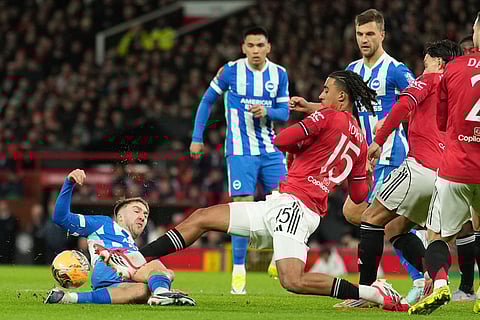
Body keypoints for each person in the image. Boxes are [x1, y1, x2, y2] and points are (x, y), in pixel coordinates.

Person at [102, 70, 409, 312]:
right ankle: (135, 259)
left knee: (293, 280)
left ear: (340, 97)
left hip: (295, 208)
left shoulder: (326, 116)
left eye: (325, 90)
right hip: (289, 207)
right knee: (202, 217)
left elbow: (282, 140)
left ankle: (373, 292)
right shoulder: (358, 140)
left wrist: (301, 144)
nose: (320, 95)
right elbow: (358, 193)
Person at [360, 39, 462, 306]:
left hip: (421, 168)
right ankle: (436, 281)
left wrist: (378, 141)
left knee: (370, 218)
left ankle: (365, 292)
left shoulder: (429, 79)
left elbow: (403, 106)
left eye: (426, 60)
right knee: (398, 227)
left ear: (438, 62)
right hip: (449, 176)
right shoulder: (461, 88)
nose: (423, 65)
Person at [189, 26, 289, 294]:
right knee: (242, 209)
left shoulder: (279, 74)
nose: (256, 50)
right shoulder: (230, 70)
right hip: (240, 150)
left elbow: (284, 113)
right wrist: (197, 136)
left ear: (269, 47)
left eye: (260, 45)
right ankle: (238, 270)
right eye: (251, 46)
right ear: (243, 47)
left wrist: (267, 110)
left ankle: (275, 258)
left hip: (270, 149)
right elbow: (206, 101)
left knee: (286, 203)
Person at [339, 8, 425, 307]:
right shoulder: (352, 70)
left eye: (370, 34)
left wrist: (394, 124)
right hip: (365, 160)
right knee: (361, 216)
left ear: (382, 35)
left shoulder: (396, 70)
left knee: (372, 221)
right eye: (360, 33)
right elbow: (340, 111)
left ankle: (373, 288)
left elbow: (419, 101)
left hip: (391, 156)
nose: (364, 39)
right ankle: (422, 274)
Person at [408, 12, 480, 315]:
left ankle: (438, 287)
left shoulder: (454, 69)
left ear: (477, 31)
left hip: (455, 168)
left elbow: (441, 120)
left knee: (437, 234)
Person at [44, 169, 195, 306]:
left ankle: (66, 298)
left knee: (143, 291)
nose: (142, 217)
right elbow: (60, 217)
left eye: (145, 214)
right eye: (137, 211)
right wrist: (69, 183)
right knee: (157, 266)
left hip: (111, 281)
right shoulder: (104, 223)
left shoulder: (132, 244)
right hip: (110, 264)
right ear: (120, 217)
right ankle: (162, 292)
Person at [451, 34, 479, 302]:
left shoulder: (457, 78)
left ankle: (469, 288)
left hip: (465, 160)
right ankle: (469, 288)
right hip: (468, 160)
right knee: (468, 226)